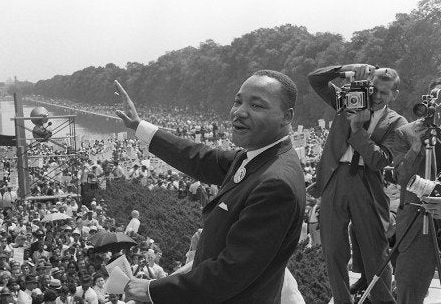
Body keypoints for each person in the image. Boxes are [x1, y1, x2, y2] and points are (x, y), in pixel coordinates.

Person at [114, 70, 306, 303]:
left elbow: (232, 272)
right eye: (238, 101)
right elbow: (200, 158)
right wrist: (139, 127)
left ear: (286, 117)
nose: (239, 112)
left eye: (256, 106)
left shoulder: (275, 184)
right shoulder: (258, 157)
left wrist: (152, 290)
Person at [307, 64, 406, 304]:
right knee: (333, 250)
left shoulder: (398, 123)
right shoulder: (348, 101)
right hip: (335, 177)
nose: (376, 96)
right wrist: (346, 69)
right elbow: (315, 79)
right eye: (374, 89)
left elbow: (379, 160)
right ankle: (342, 300)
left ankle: (383, 300)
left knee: (375, 251)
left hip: (368, 183)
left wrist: (356, 129)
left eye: (384, 92)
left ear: (395, 94)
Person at [391, 77, 441, 303]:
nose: (440, 103)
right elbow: (400, 177)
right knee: (410, 287)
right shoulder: (405, 132)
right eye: (436, 96)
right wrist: (416, 147)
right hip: (418, 219)